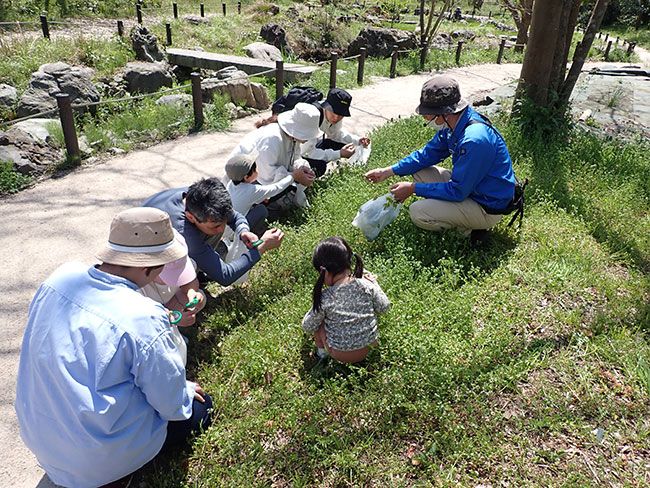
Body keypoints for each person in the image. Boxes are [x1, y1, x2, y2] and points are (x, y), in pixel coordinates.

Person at [15, 207, 213, 488]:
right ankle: (120, 475)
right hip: (97, 460)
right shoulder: (143, 314)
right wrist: (185, 392)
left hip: (41, 440)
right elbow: (171, 405)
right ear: (148, 268)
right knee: (199, 410)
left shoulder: (58, 279)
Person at [364, 75, 515, 245]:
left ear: (443, 113)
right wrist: (388, 171)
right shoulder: (455, 123)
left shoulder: (474, 140)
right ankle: (458, 216)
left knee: (418, 212)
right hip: (474, 188)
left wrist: (413, 189)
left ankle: (470, 231)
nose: (425, 117)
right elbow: (426, 156)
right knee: (419, 170)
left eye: (427, 114)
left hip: (486, 206)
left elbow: (458, 191)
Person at [142, 177, 284, 286]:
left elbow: (234, 216)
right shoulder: (183, 232)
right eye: (215, 226)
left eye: (223, 223)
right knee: (191, 262)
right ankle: (185, 282)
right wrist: (261, 247)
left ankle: (201, 267)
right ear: (191, 217)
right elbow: (225, 276)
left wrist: (243, 230)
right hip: (147, 268)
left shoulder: (199, 198)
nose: (221, 230)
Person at [301, 236, 390, 364]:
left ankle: (321, 354)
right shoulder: (365, 285)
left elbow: (308, 326)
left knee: (318, 322)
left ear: (322, 271)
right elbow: (384, 307)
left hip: (340, 354)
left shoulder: (325, 297)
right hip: (371, 347)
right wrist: (375, 283)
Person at [227, 102, 320, 213]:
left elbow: (295, 157)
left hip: (260, 177)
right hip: (245, 182)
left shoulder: (292, 137)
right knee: (267, 208)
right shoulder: (273, 138)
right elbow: (265, 175)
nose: (308, 139)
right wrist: (295, 176)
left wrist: (302, 167)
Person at [139, 230, 206, 365]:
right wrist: (173, 319)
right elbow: (144, 319)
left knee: (202, 296)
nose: (176, 279)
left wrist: (192, 293)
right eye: (170, 274)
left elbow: (191, 281)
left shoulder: (180, 259)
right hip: (152, 318)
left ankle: (175, 331)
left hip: (169, 303)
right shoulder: (137, 289)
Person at [224, 150, 310, 235]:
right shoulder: (251, 190)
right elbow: (276, 188)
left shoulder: (231, 184)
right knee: (262, 210)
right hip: (236, 231)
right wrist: (293, 176)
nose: (257, 170)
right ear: (246, 177)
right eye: (255, 169)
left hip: (224, 227)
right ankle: (254, 233)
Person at [303, 88, 371, 177]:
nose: (336, 118)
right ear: (326, 106)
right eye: (333, 112)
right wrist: (339, 154)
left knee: (336, 144)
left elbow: (335, 134)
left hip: (307, 150)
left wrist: (357, 140)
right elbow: (309, 153)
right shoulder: (313, 117)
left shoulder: (333, 117)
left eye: (341, 115)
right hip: (294, 154)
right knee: (320, 167)